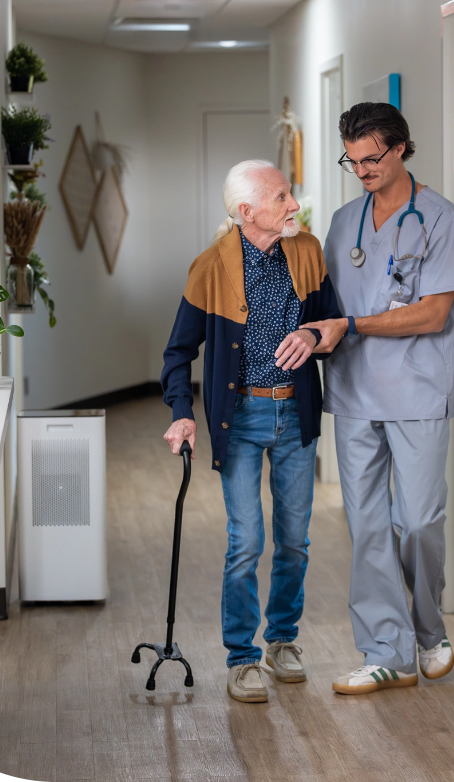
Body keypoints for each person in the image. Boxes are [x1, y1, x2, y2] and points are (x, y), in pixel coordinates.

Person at [305, 102, 454, 695]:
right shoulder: (345, 220)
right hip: (352, 390)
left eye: (372, 158)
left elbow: (433, 311)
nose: (363, 170)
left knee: (418, 521)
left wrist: (353, 325)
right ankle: (387, 652)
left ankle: (428, 626)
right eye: (352, 161)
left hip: (419, 388)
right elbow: (325, 301)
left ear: (401, 148)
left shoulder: (440, 218)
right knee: (368, 525)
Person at [161, 160, 341, 703]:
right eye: (282, 196)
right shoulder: (210, 267)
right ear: (247, 211)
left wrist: (312, 333)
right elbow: (177, 353)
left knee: (294, 541)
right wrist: (181, 412)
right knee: (246, 543)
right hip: (240, 421)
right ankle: (242, 657)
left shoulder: (306, 251)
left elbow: (331, 324)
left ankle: (282, 640)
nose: (293, 205)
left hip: (295, 415)